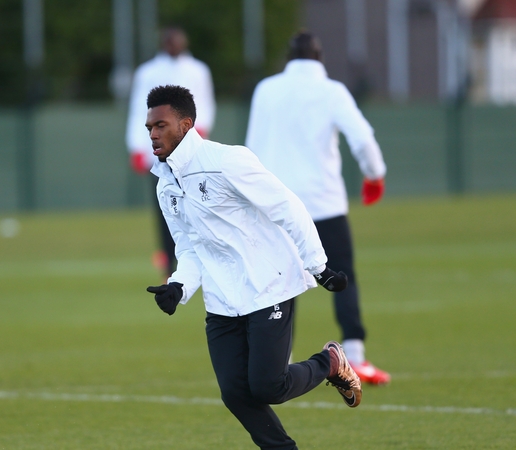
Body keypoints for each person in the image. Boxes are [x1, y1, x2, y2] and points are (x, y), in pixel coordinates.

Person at [144, 85, 362, 450]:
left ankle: (331, 361)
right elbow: (190, 246)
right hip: (222, 299)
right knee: (235, 392)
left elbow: (287, 207)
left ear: (186, 124)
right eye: (149, 126)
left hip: (268, 286)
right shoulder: (165, 185)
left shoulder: (227, 161)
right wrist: (179, 285)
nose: (152, 134)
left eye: (160, 125)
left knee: (268, 387)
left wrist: (319, 266)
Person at [245, 32, 390, 385]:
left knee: (275, 283)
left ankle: (278, 359)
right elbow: (362, 138)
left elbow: (250, 145)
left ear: (288, 57)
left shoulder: (266, 89)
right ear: (320, 56)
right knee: (343, 277)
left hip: (275, 204)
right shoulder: (332, 91)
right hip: (323, 203)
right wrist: (375, 175)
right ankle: (354, 356)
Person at [125, 27, 216, 278]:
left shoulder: (198, 70)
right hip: (161, 152)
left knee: (199, 206)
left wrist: (200, 134)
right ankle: (169, 266)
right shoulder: (148, 72)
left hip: (191, 150)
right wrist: (136, 146)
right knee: (167, 208)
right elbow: (137, 110)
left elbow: (206, 105)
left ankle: (204, 261)